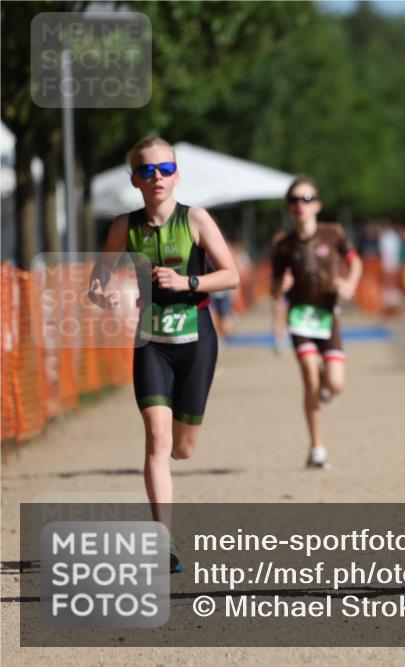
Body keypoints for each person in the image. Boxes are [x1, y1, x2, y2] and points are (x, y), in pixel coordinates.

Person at [88, 136, 240, 571]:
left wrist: (187, 283)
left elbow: (230, 276)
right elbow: (99, 281)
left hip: (197, 341)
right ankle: (164, 541)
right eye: (147, 170)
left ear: (177, 175)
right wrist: (106, 293)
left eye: (166, 169)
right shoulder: (123, 226)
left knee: (183, 449)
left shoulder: (195, 219)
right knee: (157, 439)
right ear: (134, 179)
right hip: (150, 343)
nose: (157, 178)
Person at [271, 176, 362, 470]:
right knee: (309, 376)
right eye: (296, 200)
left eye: (307, 199)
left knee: (334, 384)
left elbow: (355, 261)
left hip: (327, 315)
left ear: (318, 205)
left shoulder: (333, 233)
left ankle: (326, 382)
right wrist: (280, 286)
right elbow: (273, 289)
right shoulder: (283, 245)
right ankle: (317, 447)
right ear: (288, 207)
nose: (301, 205)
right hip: (300, 317)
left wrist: (349, 283)